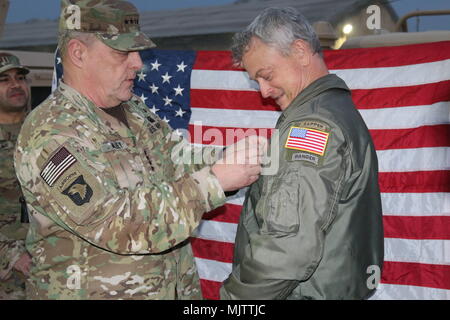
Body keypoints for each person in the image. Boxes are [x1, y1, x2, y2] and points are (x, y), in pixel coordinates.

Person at [14, 0, 262, 300]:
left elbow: (176, 159)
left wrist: (233, 158)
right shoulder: (52, 132)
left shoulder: (132, 110)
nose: (138, 63)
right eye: (123, 53)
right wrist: (215, 182)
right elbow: (114, 222)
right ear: (79, 53)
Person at [220, 7, 384, 300]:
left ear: (300, 51)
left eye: (266, 75)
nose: (264, 91)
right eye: (256, 80)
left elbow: (287, 247)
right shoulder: (334, 110)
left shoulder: (312, 125)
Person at [0, 53, 32, 299]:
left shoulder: (43, 132)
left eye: (20, 78)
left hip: (51, 261)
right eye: (4, 79)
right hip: (9, 273)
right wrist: (12, 255)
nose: (15, 85)